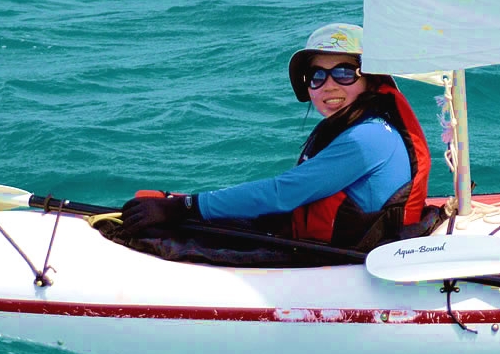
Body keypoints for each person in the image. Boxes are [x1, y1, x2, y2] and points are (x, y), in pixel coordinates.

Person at [114, 23, 440, 253]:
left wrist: (183, 207)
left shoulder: (366, 139)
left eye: (343, 72)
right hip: (321, 238)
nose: (329, 85)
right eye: (317, 76)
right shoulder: (365, 125)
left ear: (370, 80)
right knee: (159, 206)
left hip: (342, 255)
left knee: (166, 222)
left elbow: (282, 194)